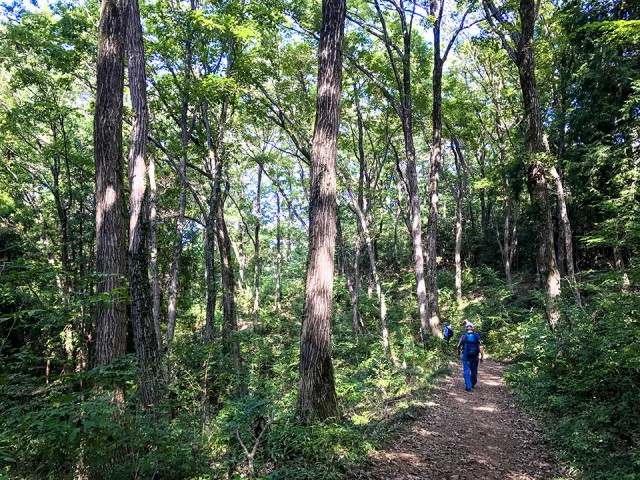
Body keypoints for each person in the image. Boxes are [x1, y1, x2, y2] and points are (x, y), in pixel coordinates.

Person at [457, 323, 484, 391]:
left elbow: (458, 346)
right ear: (473, 328)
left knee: (466, 370)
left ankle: (468, 386)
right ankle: (472, 384)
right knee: (474, 370)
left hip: (465, 356)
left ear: (466, 329)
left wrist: (459, 352)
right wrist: (482, 356)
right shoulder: (477, 336)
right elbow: (480, 347)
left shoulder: (463, 336)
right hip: (475, 356)